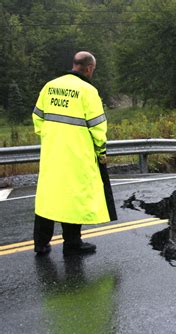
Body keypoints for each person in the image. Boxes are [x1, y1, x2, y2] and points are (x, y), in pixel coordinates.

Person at [32, 51, 117, 256]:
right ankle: (72, 243)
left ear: (74, 64)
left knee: (48, 197)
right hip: (77, 156)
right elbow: (98, 127)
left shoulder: (50, 86)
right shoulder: (87, 91)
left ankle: (41, 244)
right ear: (89, 68)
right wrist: (100, 151)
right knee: (73, 197)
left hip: (52, 154)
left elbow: (37, 119)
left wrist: (52, 139)